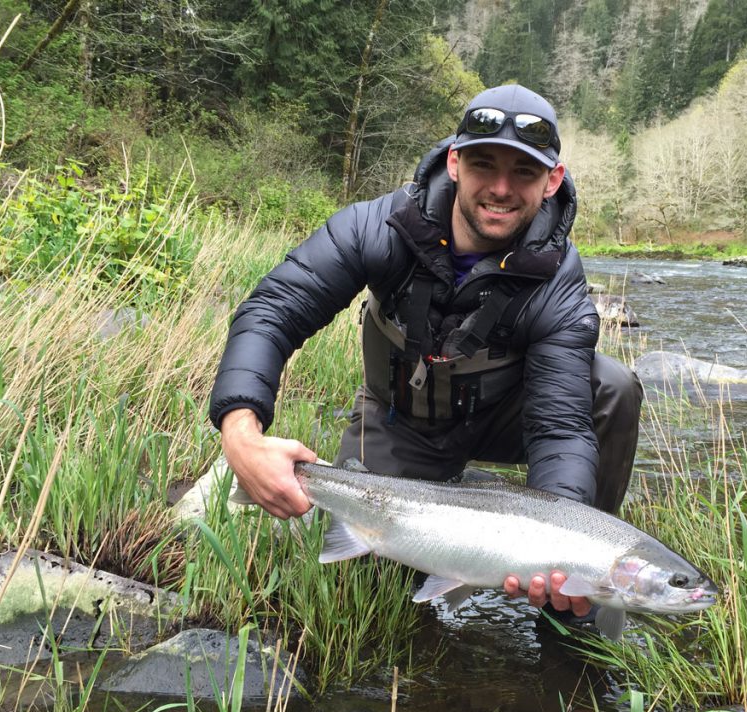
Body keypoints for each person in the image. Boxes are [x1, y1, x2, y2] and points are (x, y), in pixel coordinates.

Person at [209, 84, 643, 619]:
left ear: (552, 180)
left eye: (525, 173)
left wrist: (561, 553)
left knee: (613, 388)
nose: (501, 188)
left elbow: (558, 427)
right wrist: (241, 431)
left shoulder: (559, 282)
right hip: (400, 420)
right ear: (455, 162)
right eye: (485, 165)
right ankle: (459, 498)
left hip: (499, 418)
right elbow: (274, 309)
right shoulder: (379, 227)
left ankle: (571, 611)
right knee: (369, 601)